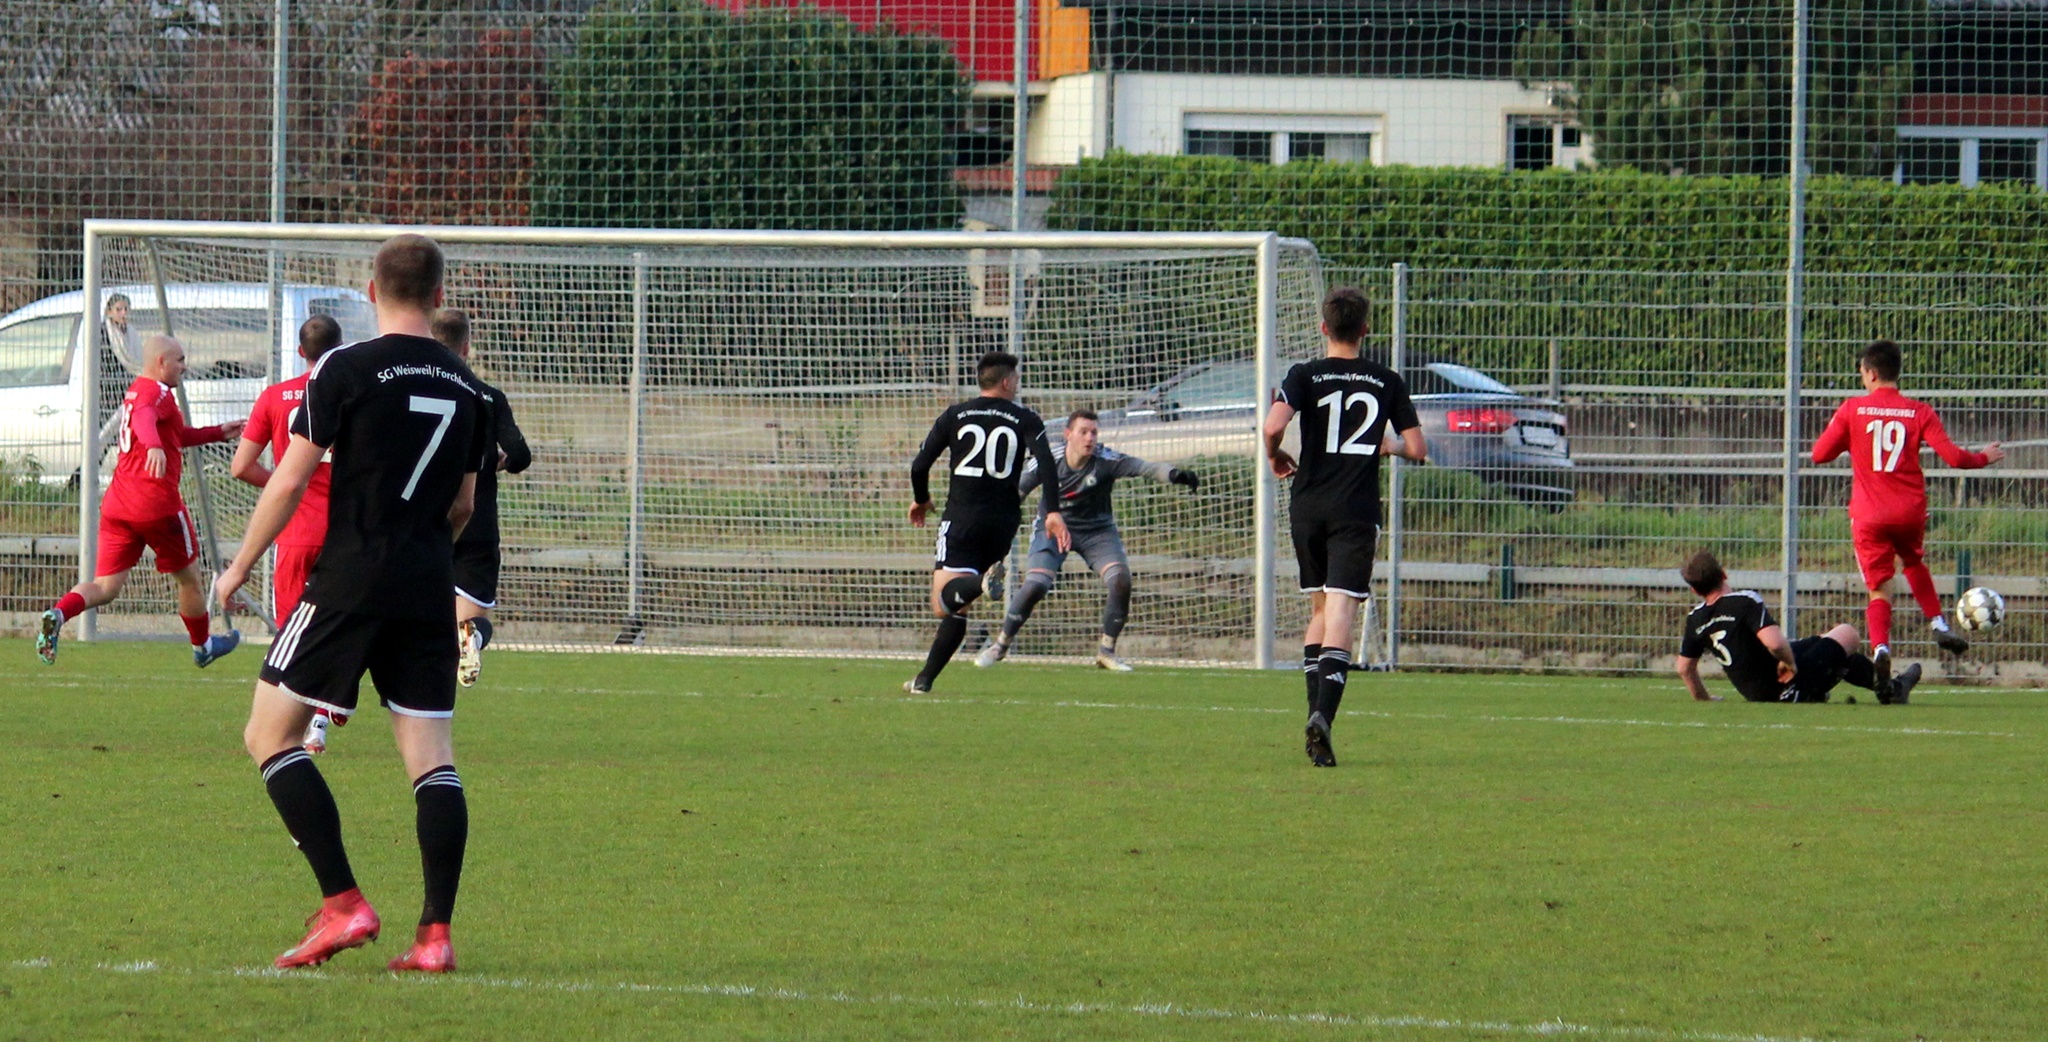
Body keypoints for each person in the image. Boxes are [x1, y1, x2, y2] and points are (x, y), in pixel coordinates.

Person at [213, 233, 491, 974]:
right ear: (439, 295)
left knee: (268, 735)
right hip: (426, 586)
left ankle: (343, 904)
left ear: (372, 292)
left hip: (348, 581)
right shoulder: (469, 387)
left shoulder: (345, 366)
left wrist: (240, 566)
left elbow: (289, 478)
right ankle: (434, 937)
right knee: (432, 762)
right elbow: (463, 507)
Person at [1262, 288, 1426, 767]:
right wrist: (1390, 446)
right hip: (1355, 510)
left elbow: (1271, 426)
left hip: (1308, 505)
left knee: (1319, 608)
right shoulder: (1386, 380)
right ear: (1365, 331)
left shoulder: (1304, 374)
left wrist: (1275, 455)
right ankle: (1323, 717)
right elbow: (1417, 448)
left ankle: (1314, 714)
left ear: (1323, 328)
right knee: (1341, 613)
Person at [36, 334, 244, 668]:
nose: (185, 366)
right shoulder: (155, 393)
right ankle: (203, 646)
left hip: (118, 505)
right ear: (161, 362)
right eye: (180, 360)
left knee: (105, 587)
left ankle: (58, 614)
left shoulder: (137, 390)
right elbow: (145, 419)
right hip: (156, 506)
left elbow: (172, 434)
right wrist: (154, 446)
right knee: (190, 579)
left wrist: (217, 432)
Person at [1810, 338, 2003, 693]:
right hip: (1909, 511)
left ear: (1870, 373)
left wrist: (1852, 439)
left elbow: (1819, 454)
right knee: (1913, 562)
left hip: (1869, 515)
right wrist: (1982, 458)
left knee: (1879, 588)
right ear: (1896, 372)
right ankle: (1938, 623)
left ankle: (1881, 649)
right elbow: (1954, 458)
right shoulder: (1919, 411)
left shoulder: (1853, 409)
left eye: (1862, 372)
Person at [973, 409, 1199, 671]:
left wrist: (1175, 475)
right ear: (1068, 434)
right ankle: (1000, 645)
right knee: (1035, 584)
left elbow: (1145, 468)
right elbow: (1017, 493)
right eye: (1083, 432)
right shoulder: (1049, 460)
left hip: (1097, 531)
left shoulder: (1106, 460)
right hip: (1053, 529)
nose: (1089, 438)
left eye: (1093, 432)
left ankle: (1107, 652)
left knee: (1120, 579)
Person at [906, 350, 1068, 694]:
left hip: (962, 519)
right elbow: (1047, 465)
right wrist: (1053, 511)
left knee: (943, 604)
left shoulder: (955, 414)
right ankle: (924, 681)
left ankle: (981, 583)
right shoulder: (1025, 418)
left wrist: (921, 498)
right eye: (1017, 379)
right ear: (1006, 382)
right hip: (1003, 523)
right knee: (959, 609)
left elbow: (919, 466)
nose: (1018, 384)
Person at [232, 315, 345, 753]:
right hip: (345, 533)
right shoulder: (354, 393)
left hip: (295, 530)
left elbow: (241, 466)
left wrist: (284, 483)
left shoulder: (275, 397)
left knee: (292, 635)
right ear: (341, 348)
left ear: (301, 352)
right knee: (339, 627)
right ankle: (320, 720)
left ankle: (288, 728)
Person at [431, 307, 531, 688]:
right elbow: (520, 453)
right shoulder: (489, 397)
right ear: (467, 347)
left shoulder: (420, 390)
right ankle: (471, 635)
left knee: (425, 613)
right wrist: (500, 462)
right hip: (477, 523)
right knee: (473, 619)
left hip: (429, 521)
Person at [1674, 549, 1918, 705]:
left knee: (1823, 641)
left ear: (1694, 590)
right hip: (1788, 685)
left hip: (1757, 693)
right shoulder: (1744, 601)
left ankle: (1887, 687)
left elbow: (1684, 668)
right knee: (1847, 634)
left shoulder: (1695, 619)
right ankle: (1892, 689)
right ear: (1724, 574)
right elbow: (1775, 643)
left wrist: (1704, 698)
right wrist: (1789, 664)